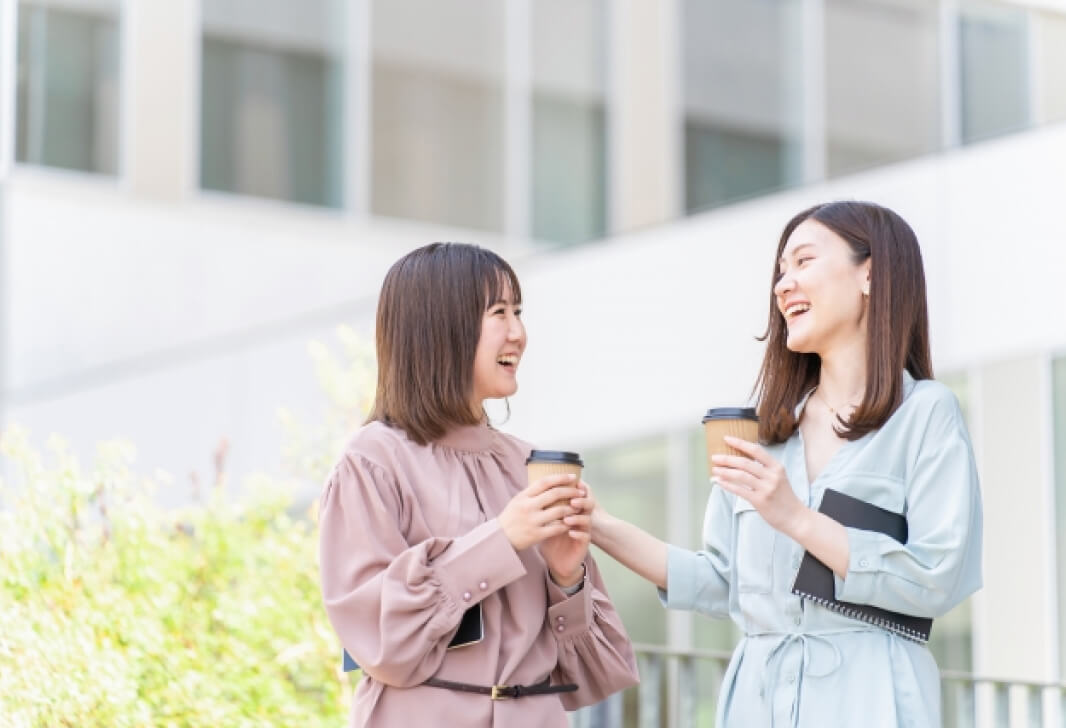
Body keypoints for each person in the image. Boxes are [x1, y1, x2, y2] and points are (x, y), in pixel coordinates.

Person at [589, 201, 983, 726]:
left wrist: (796, 517)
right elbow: (722, 582)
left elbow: (939, 578)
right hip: (757, 703)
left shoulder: (925, 414)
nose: (783, 285)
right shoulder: (765, 433)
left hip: (871, 703)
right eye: (780, 271)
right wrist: (597, 525)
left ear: (870, 273)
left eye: (803, 262)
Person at [318, 242, 638, 727]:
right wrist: (502, 539)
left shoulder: (530, 463)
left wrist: (567, 577)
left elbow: (590, 667)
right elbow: (376, 636)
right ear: (442, 327)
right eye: (499, 313)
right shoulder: (373, 460)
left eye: (519, 312)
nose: (519, 333)